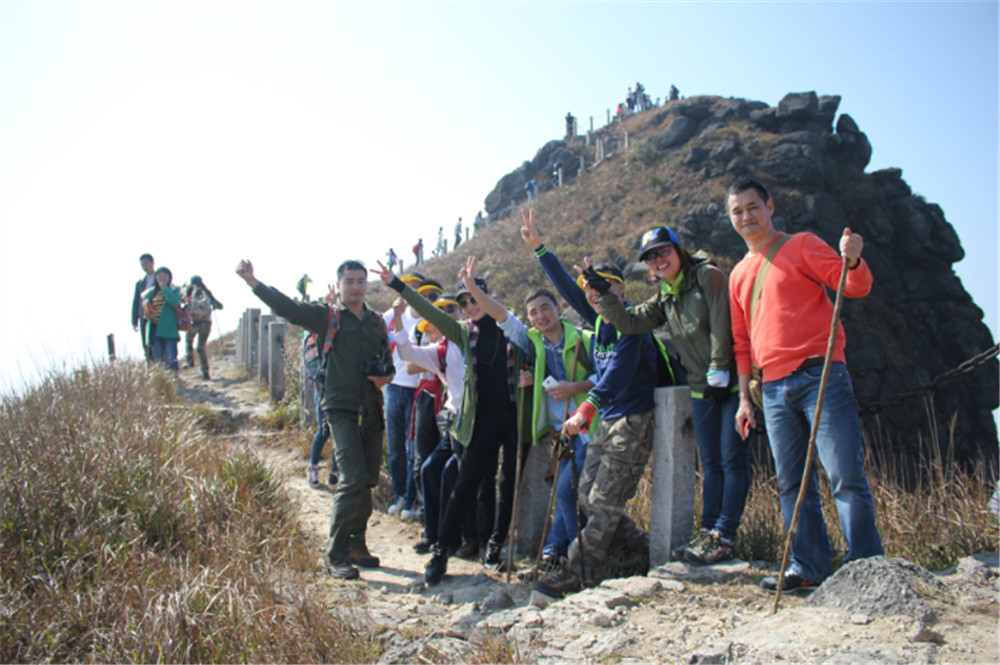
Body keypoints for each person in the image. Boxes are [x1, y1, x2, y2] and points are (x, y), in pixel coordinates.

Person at [726, 178, 883, 593]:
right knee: (792, 483)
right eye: (737, 211)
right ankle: (808, 564)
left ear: (770, 206)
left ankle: (865, 566)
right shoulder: (738, 274)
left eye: (752, 206)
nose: (746, 216)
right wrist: (745, 399)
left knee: (844, 474)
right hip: (773, 389)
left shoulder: (802, 244)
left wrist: (853, 259)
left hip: (821, 375)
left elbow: (854, 286)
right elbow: (742, 344)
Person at [519, 209, 659, 602]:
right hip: (605, 421)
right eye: (592, 290)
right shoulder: (597, 320)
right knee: (583, 495)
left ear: (622, 290)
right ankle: (636, 548)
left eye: (605, 287)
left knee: (601, 501)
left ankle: (576, 570)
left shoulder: (633, 323)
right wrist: (539, 249)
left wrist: (584, 409)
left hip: (631, 419)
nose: (596, 294)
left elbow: (615, 377)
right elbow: (566, 287)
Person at [236, 258, 394, 580]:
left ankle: (357, 545)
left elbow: (387, 361)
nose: (356, 286)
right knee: (351, 477)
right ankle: (335, 554)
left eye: (360, 280)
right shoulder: (329, 317)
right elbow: (289, 308)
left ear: (367, 284)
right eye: (349, 281)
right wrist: (253, 282)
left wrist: (387, 376)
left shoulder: (377, 322)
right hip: (341, 408)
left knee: (366, 480)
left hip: (372, 409)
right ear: (339, 286)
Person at [597, 226, 747, 565]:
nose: (658, 260)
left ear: (679, 250)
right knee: (711, 464)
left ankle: (725, 534)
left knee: (731, 459)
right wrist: (606, 294)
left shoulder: (707, 277)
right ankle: (709, 533)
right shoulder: (667, 294)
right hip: (700, 387)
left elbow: (724, 323)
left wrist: (720, 370)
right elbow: (629, 323)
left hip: (732, 383)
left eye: (663, 251)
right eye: (651, 257)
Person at [374, 262, 524, 585]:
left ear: (486, 296)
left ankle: (494, 545)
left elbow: (528, 346)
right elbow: (429, 310)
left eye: (474, 298)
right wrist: (397, 284)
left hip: (513, 417)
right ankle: (441, 551)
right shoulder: (462, 332)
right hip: (479, 419)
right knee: (464, 484)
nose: (469, 306)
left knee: (506, 483)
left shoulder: (509, 326)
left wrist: (472, 286)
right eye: (464, 302)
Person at [459, 260, 597, 575]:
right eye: (533, 312)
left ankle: (570, 555)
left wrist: (573, 387)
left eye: (545, 308)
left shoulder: (585, 340)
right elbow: (500, 315)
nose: (539, 316)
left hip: (589, 430)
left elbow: (605, 381)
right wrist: (472, 289)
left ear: (559, 307)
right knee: (567, 491)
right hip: (558, 433)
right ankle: (559, 555)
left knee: (566, 491)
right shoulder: (532, 340)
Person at [382, 273, 425, 519]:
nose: (409, 293)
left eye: (415, 288)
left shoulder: (425, 319)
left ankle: (410, 500)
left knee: (413, 449)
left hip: (416, 389)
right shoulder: (389, 317)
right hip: (392, 386)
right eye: (405, 288)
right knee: (395, 447)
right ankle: (399, 494)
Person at [304, 286, 340, 488]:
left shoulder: (328, 334)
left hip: (337, 390)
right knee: (325, 431)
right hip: (324, 392)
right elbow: (314, 370)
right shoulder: (311, 338)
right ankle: (314, 467)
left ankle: (335, 470)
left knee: (338, 431)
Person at [182, 275, 223, 380]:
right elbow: (220, 306)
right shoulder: (207, 292)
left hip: (193, 322)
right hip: (206, 323)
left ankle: (190, 361)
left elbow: (183, 303)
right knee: (201, 347)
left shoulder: (189, 291)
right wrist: (212, 307)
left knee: (188, 341)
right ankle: (205, 372)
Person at [142, 267, 182, 372]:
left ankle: (175, 381)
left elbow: (175, 302)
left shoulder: (174, 290)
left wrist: (165, 289)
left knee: (171, 358)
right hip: (154, 328)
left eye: (165, 276)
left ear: (169, 277)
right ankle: (164, 385)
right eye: (160, 276)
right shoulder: (151, 292)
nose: (162, 278)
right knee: (159, 360)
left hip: (169, 329)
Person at [131, 253, 156, 362]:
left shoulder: (160, 277)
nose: (144, 267)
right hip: (144, 316)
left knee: (158, 341)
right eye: (142, 264)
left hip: (158, 314)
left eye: (146, 263)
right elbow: (136, 301)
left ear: (152, 263)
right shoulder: (140, 283)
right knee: (146, 342)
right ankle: (151, 366)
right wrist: (134, 319)